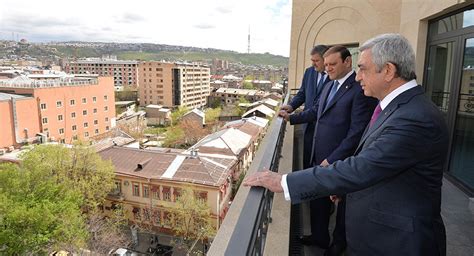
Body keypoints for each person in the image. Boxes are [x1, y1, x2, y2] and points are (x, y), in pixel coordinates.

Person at [243, 33, 449, 256]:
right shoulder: (395, 108)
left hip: (398, 243)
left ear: (388, 71)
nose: (358, 77)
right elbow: (379, 163)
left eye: (363, 69)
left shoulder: (415, 118)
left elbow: (363, 167)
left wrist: (283, 181)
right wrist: (345, 188)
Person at [279, 45, 377, 255]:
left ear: (347, 62)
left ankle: (337, 244)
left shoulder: (359, 89)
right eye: (326, 64)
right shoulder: (329, 83)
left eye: (332, 64)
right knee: (318, 202)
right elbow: (316, 111)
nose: (327, 68)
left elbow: (356, 133)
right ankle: (320, 237)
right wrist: (291, 118)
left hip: (340, 160)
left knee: (342, 208)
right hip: (319, 154)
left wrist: (332, 158)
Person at [280, 45, 330, 169]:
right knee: (307, 159)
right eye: (312, 61)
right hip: (307, 125)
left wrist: (292, 118)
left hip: (324, 127)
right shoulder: (309, 72)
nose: (313, 64)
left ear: (325, 59)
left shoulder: (334, 76)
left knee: (321, 163)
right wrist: (291, 106)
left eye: (316, 61)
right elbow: (302, 93)